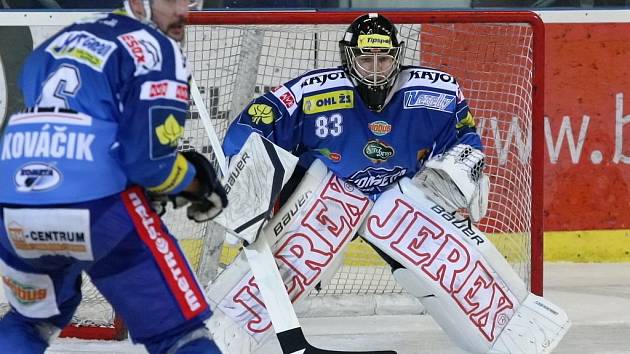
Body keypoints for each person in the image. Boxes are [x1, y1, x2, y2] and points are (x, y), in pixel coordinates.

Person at [0, 0, 228, 353]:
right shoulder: (153, 47)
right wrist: (197, 183)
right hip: (98, 212)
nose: (187, 9)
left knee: (29, 321)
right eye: (174, 0)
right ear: (138, 2)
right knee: (180, 335)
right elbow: (147, 164)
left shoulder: (56, 42)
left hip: (15, 207)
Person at [222, 12, 484, 204]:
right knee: (293, 268)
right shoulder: (313, 90)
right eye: (364, 59)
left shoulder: (438, 92)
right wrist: (239, 161)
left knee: (438, 263)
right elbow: (260, 118)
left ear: (397, 57)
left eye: (383, 59)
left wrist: (462, 183)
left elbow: (464, 141)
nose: (374, 68)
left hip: (400, 197)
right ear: (348, 58)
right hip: (325, 195)